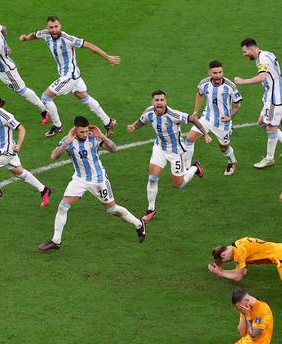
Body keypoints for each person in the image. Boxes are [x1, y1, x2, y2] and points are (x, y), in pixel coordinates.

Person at [37, 116, 146, 251]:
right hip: (79, 179)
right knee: (63, 207)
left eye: (86, 131)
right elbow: (53, 156)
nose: (84, 134)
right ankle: (56, 241)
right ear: (75, 130)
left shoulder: (93, 137)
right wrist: (66, 142)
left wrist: (102, 136)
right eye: (81, 132)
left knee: (111, 209)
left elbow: (114, 149)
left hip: (98, 179)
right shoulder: (68, 140)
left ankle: (138, 224)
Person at [19, 16, 119, 137]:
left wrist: (107, 57)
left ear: (60, 26)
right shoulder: (45, 34)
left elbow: (89, 46)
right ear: (47, 28)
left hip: (70, 76)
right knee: (84, 97)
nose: (54, 30)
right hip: (72, 74)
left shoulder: (68, 39)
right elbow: (34, 35)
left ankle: (57, 126)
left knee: (45, 97)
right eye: (51, 27)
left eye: (56, 26)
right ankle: (108, 122)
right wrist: (25, 38)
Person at [127, 90, 211, 222]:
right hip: (159, 148)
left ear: (165, 101)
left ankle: (195, 167)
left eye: (162, 100)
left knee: (178, 185)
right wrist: (133, 127)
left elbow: (192, 119)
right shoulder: (149, 112)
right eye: (157, 100)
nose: (159, 102)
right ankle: (151, 209)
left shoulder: (174, 115)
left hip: (176, 152)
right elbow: (142, 121)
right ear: (152, 102)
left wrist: (205, 134)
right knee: (153, 177)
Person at [234, 38, 282, 168]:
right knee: (261, 122)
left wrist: (243, 81)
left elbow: (262, 77)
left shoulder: (263, 59)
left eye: (245, 52)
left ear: (252, 48)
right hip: (270, 97)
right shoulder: (267, 54)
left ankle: (269, 158)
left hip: (275, 99)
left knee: (271, 126)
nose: (244, 55)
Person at [185, 60, 241, 176]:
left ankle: (233, 162)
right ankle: (186, 168)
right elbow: (200, 94)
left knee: (223, 148)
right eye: (215, 73)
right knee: (190, 138)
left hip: (222, 123)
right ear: (210, 73)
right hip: (206, 118)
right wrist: (196, 111)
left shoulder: (230, 86)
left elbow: (237, 105)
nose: (218, 75)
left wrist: (230, 117)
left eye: (220, 72)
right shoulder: (204, 83)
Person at [209, 237, 282, 296]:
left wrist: (220, 273)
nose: (227, 261)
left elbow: (238, 277)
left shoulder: (238, 252)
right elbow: (243, 271)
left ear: (223, 255)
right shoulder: (238, 243)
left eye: (223, 261)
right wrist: (222, 271)